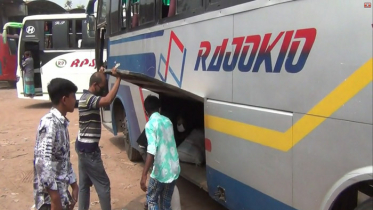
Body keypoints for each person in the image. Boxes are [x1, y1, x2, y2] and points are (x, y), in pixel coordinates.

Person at [75, 66, 121, 210]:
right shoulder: (89, 99)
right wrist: (118, 78)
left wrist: (102, 74)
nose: (103, 89)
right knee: (104, 185)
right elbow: (107, 100)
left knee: (84, 185)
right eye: (102, 86)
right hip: (89, 150)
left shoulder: (86, 97)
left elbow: (102, 96)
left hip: (82, 146)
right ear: (94, 85)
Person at [33, 78, 79, 210]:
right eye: (73, 96)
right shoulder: (49, 123)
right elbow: (42, 162)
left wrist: (74, 184)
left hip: (61, 196)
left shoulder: (61, 123)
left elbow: (63, 158)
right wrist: (55, 197)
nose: (75, 100)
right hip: (49, 202)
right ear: (64, 100)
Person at [140, 95, 181, 210]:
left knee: (151, 199)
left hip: (161, 171)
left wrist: (143, 175)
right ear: (159, 108)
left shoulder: (150, 125)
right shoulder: (168, 121)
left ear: (146, 111)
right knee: (166, 202)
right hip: (173, 168)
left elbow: (151, 151)